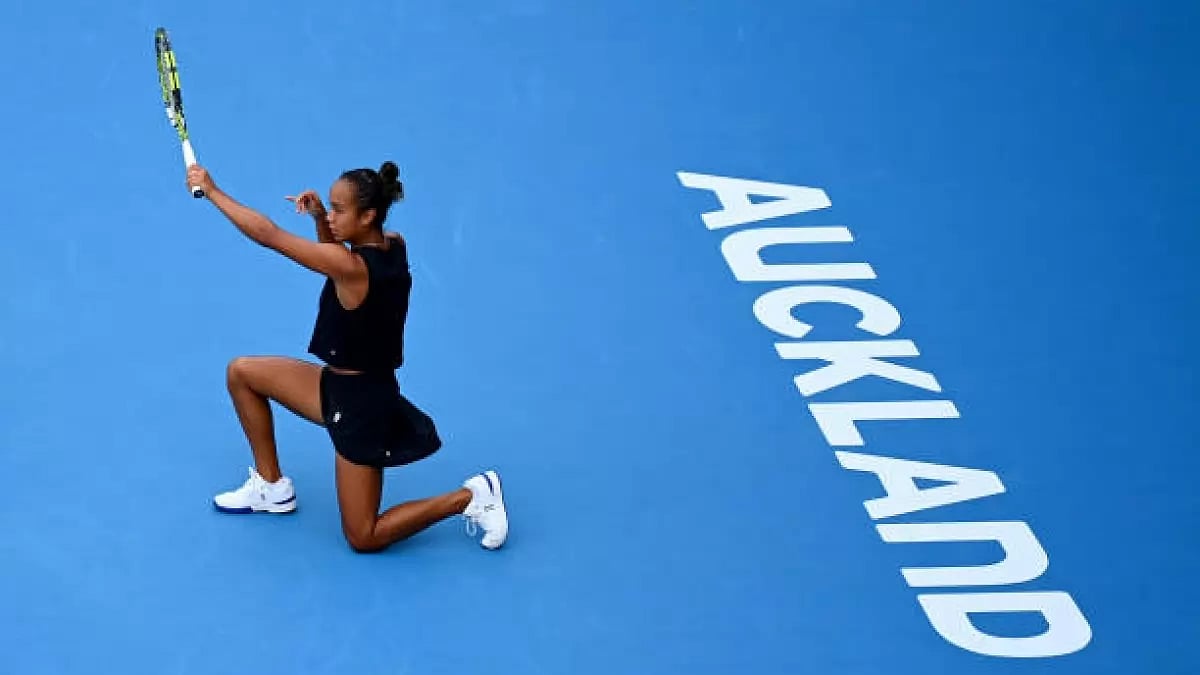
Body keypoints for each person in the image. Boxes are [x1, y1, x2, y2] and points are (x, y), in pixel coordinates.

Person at [184, 160, 508, 553]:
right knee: (243, 374)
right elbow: (336, 258)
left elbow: (269, 235)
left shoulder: (352, 268)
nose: (332, 216)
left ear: (368, 214)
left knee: (363, 536)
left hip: (362, 407)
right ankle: (272, 487)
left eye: (339, 210)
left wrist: (213, 191)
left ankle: (471, 497)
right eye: (331, 207)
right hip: (334, 386)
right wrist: (321, 218)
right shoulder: (394, 244)